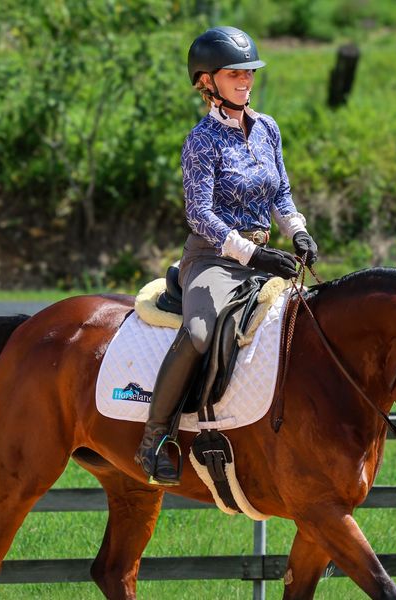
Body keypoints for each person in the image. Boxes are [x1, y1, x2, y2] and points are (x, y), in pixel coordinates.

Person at [134, 26, 319, 486]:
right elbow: (200, 214)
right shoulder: (201, 141)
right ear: (206, 81)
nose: (245, 80)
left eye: (249, 72)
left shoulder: (268, 129)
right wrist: (251, 254)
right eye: (234, 73)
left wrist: (297, 231)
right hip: (213, 259)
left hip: (263, 255)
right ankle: (154, 438)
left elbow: (282, 194)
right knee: (199, 333)